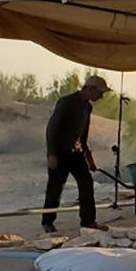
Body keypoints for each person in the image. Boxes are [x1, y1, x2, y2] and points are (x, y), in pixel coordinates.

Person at [41, 74, 110, 233]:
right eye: (100, 92)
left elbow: (83, 134)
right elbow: (52, 128)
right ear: (90, 89)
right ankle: (47, 222)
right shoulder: (67, 102)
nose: (101, 96)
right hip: (60, 153)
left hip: (76, 154)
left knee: (86, 183)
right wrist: (52, 153)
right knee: (55, 187)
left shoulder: (87, 107)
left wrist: (88, 156)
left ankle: (88, 221)